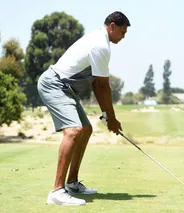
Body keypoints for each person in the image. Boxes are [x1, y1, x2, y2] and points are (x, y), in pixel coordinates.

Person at [37, 11, 130, 206]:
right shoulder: (101, 46)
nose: (123, 37)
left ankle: (72, 183)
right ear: (112, 26)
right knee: (73, 131)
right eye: (122, 32)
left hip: (65, 88)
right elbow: (103, 86)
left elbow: (97, 85)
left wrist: (108, 115)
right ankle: (56, 191)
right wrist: (111, 119)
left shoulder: (99, 41)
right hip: (54, 84)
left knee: (86, 130)